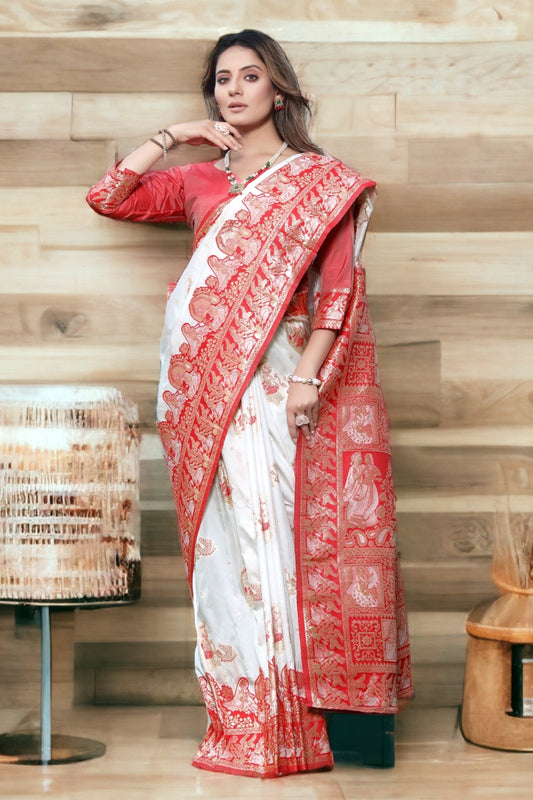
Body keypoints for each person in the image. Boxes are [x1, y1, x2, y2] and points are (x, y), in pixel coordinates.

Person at [87, 29, 413, 778]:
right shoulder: (201, 179)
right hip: (204, 383)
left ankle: (302, 717)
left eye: (249, 77)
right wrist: (175, 137)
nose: (233, 91)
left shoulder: (319, 181)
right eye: (221, 80)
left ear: (279, 90)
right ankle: (244, 711)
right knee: (225, 543)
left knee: (285, 539)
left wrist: (306, 376)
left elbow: (337, 288)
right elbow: (110, 196)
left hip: (278, 376)